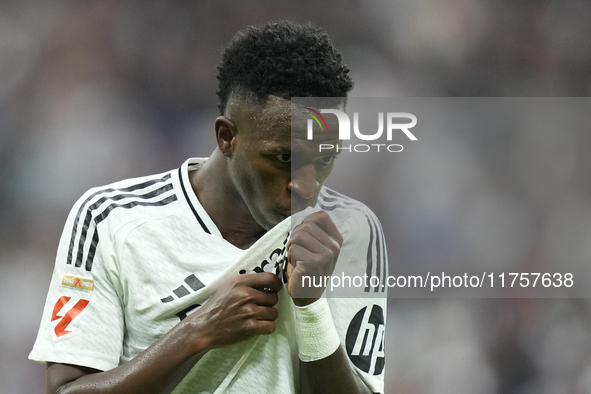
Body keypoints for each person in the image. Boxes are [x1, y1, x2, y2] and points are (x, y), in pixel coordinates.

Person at [30, 20, 387, 394]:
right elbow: (65, 390)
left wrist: (312, 308)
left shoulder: (350, 233)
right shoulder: (110, 219)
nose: (306, 187)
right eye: (284, 158)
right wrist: (198, 331)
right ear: (227, 136)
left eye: (326, 158)